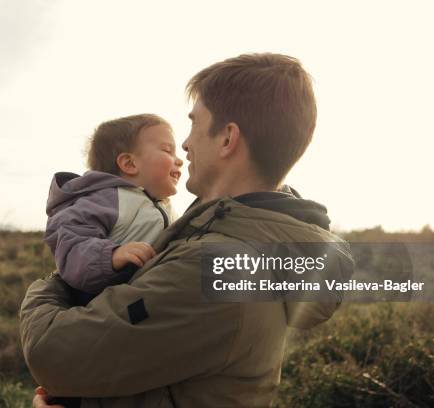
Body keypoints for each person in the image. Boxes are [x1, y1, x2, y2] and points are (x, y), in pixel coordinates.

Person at [21, 53, 354, 407]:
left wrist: (50, 285)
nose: (185, 144)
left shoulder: (214, 265)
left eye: (194, 124)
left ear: (227, 139)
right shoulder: (238, 235)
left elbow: (51, 356)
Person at [44, 114, 182, 305]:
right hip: (98, 309)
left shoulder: (164, 206)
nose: (179, 160)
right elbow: (72, 245)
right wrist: (111, 256)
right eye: (168, 151)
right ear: (129, 164)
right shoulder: (105, 199)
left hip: (142, 305)